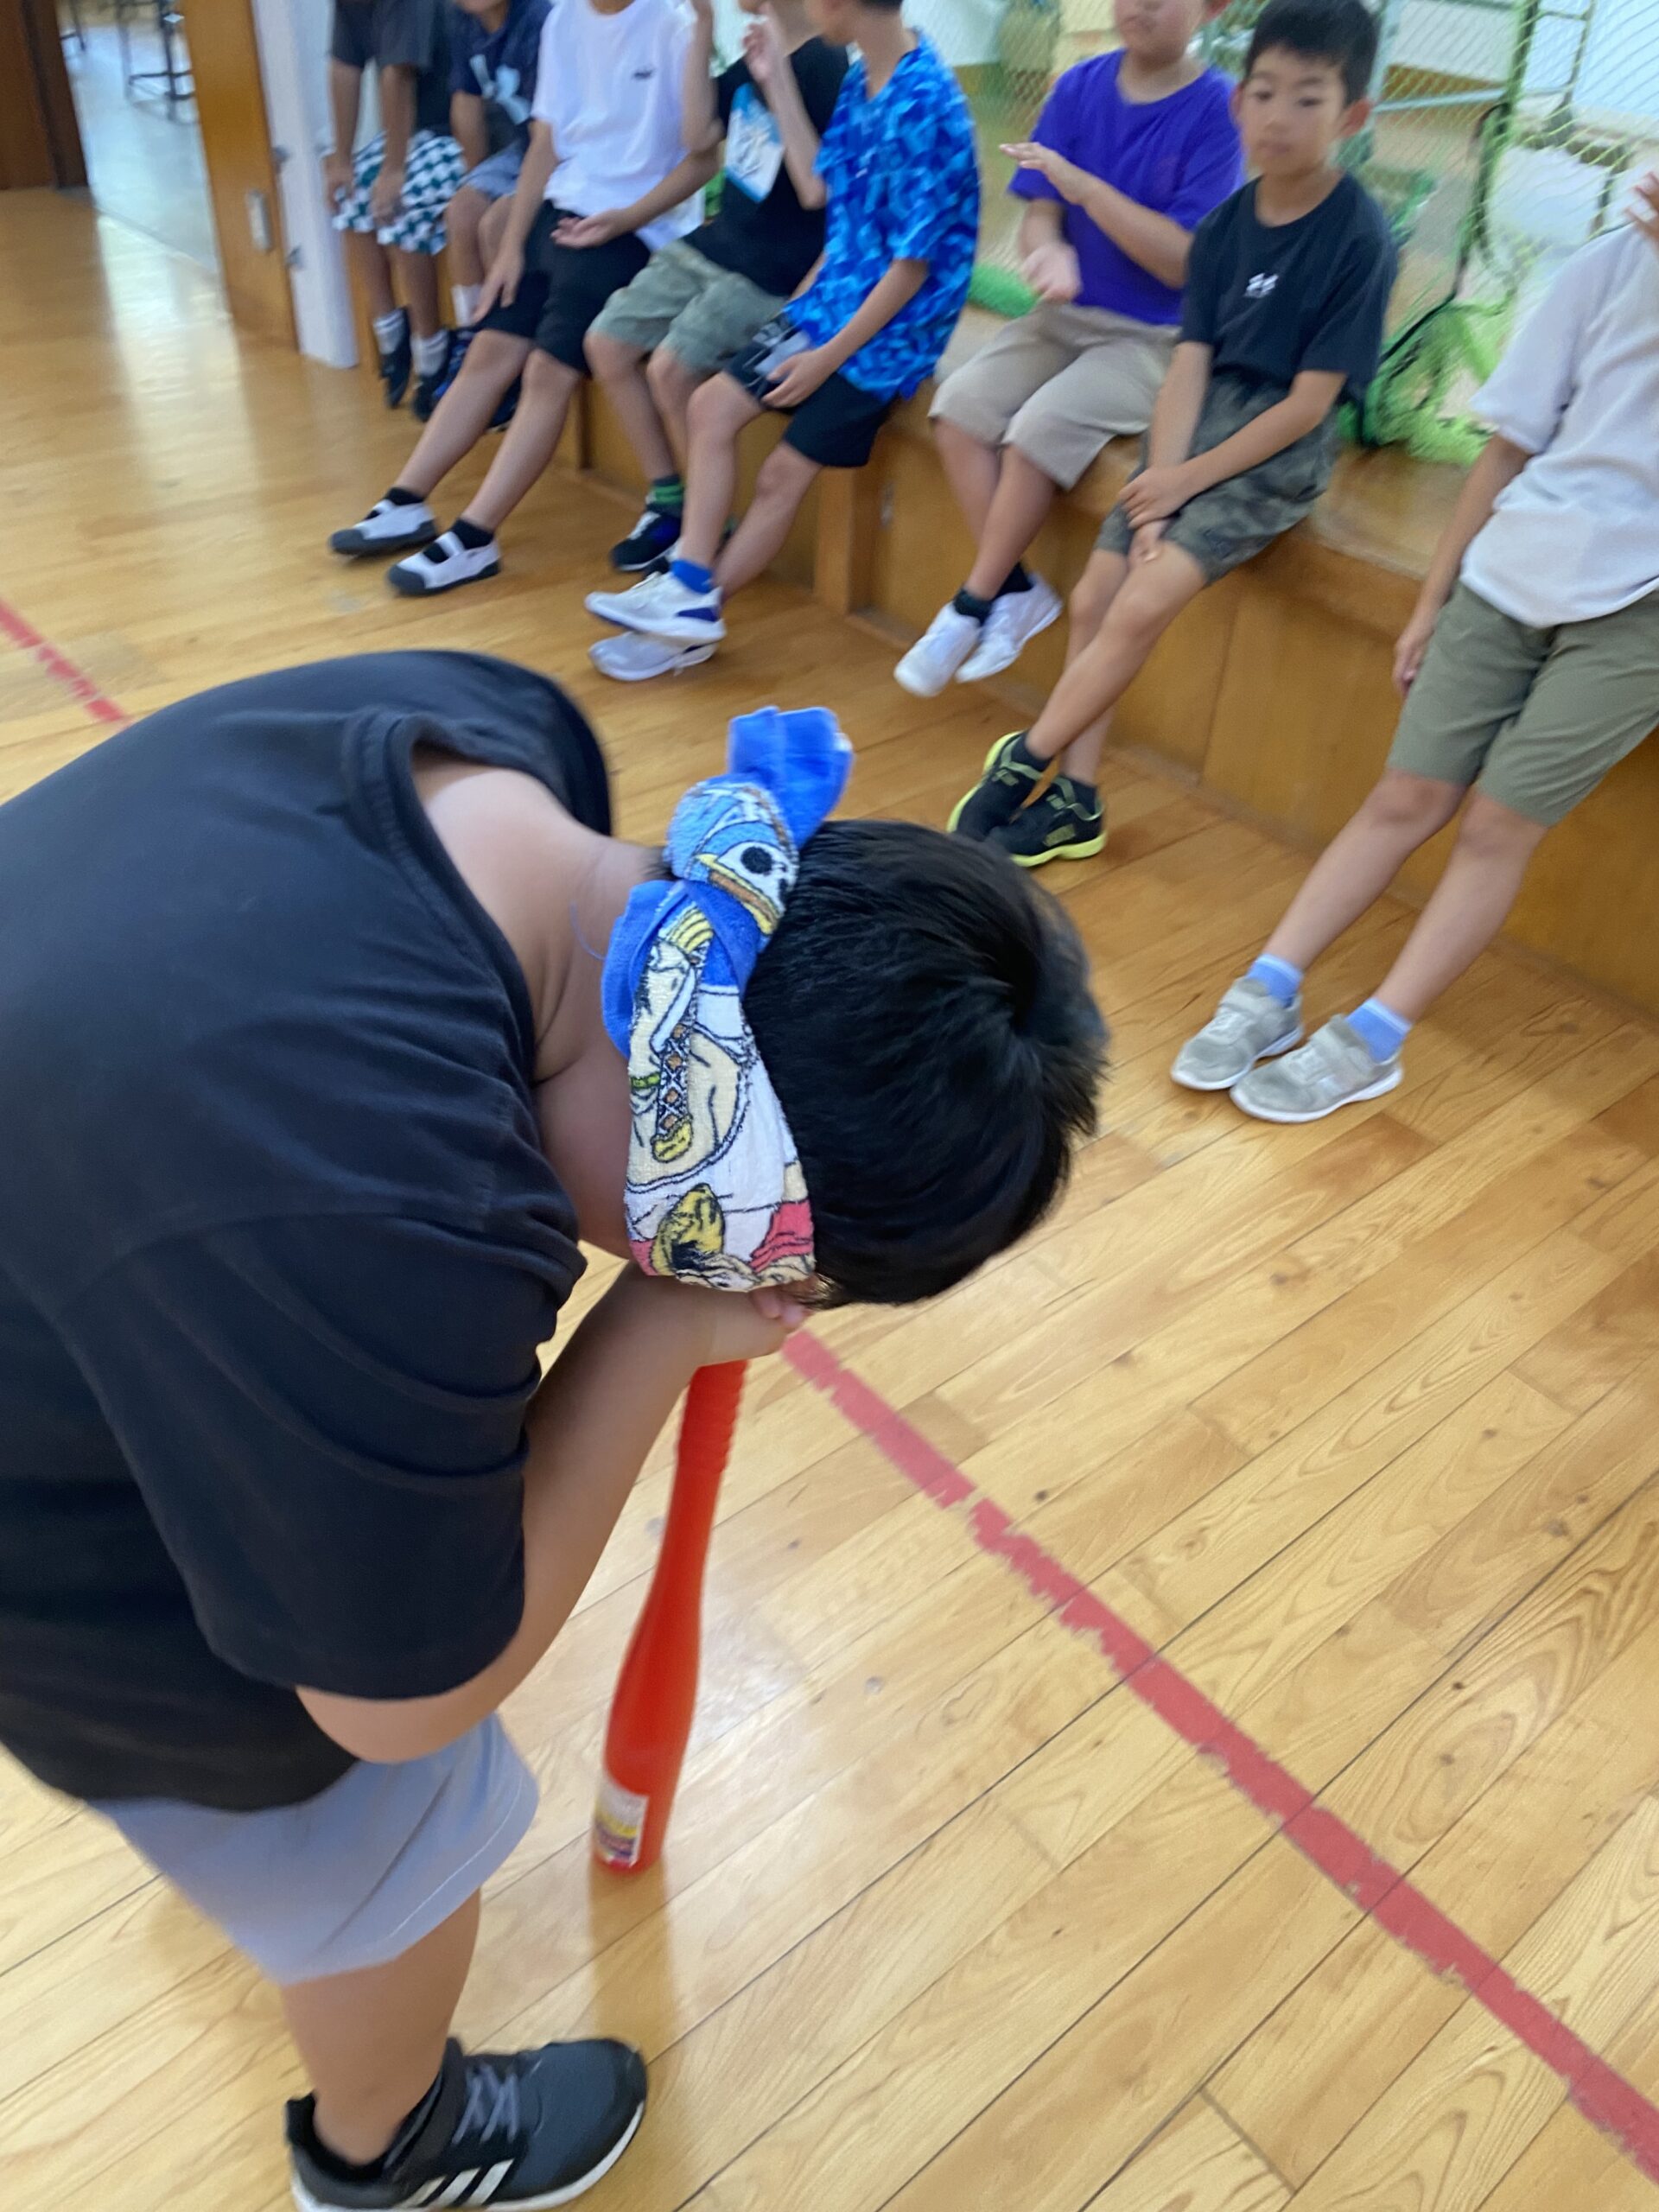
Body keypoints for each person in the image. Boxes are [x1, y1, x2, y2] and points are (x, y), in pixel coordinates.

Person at [0, 652, 1105, 2212]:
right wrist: (655, 1329)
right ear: (711, 1189)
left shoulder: (502, 743)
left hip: (78, 1268)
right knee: (381, 1842)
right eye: (775, 1276)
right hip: (70, 1539)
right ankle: (393, 2147)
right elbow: (399, 1701)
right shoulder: (385, 1205)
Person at [1173, 178, 1659, 1122]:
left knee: (1496, 826)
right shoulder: (1605, 267)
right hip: (1511, 567)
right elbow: (1508, 447)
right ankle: (1270, 986)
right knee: (1404, 795)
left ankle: (1376, 1037)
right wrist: (1432, 600)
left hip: (1637, 611)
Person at [950, 0, 1395, 866]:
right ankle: (1077, 800)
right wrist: (1160, 483)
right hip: (1196, 425)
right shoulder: (1227, 227)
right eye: (1264, 92)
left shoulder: (1357, 238)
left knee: (1143, 598)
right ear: (1239, 102)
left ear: (1353, 116)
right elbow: (1190, 362)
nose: (1279, 116)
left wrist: (1184, 481)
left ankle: (1027, 758)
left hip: (1275, 447)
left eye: (1308, 98)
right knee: (1097, 597)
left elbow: (1309, 406)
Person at [581, 0, 978, 683]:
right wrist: (776, 81)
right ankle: (687, 587)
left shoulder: (928, 104)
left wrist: (824, 356)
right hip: (831, 302)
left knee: (780, 476)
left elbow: (911, 269)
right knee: (709, 407)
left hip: (888, 337)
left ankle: (692, 618)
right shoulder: (863, 77)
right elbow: (819, 188)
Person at [895, 0, 1242, 699]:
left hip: (1157, 339)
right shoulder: (1080, 86)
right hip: (1063, 318)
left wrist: (1088, 190)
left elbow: (1183, 261)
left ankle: (971, 602)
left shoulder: (1220, 110)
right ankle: (1017, 588)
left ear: (1213, 8)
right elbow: (1041, 213)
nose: (1140, 5)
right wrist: (1046, 251)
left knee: (1039, 429)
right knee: (959, 408)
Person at [327, 0, 718, 591]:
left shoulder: (675, 26)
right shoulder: (565, 20)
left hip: (634, 230)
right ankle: (407, 501)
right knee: (488, 350)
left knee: (545, 372)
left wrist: (625, 219)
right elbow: (545, 143)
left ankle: (475, 537)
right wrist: (511, 245)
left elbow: (701, 159)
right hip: (562, 211)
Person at [583, 0, 849, 583]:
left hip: (774, 269)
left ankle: (705, 529)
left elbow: (818, 190)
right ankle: (670, 497)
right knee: (606, 342)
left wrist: (777, 82)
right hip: (722, 242)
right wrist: (703, 25)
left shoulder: (823, 64)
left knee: (670, 370)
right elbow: (697, 134)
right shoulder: (759, 46)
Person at [325, 0, 461, 411]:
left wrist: (394, 169)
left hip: (456, 127)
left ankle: (432, 349)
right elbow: (344, 66)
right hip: (415, 132)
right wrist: (341, 160)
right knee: (350, 197)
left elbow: (397, 72)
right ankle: (391, 332)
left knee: (403, 204)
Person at [423, 0, 555, 417]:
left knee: (497, 223)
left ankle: (509, 361)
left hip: (563, 152)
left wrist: (513, 196)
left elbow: (552, 134)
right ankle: (472, 339)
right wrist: (476, 180)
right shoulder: (464, 21)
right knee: (462, 212)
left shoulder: (540, 19)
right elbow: (466, 104)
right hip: (521, 149)